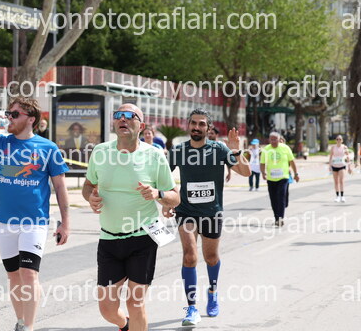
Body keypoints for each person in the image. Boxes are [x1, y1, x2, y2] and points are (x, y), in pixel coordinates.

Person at [0, 97, 70, 331]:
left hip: (34, 222)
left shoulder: (48, 148)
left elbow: (60, 187)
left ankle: (29, 326)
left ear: (31, 119)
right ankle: (20, 322)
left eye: (15, 114)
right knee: (13, 276)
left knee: (28, 273)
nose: (9, 118)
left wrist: (65, 224)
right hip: (4, 221)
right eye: (9, 113)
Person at [82, 104, 180, 331]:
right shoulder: (101, 152)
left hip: (142, 238)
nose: (122, 119)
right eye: (118, 115)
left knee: (135, 303)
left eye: (129, 116)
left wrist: (158, 194)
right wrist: (90, 198)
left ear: (141, 126)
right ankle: (124, 325)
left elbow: (175, 197)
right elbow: (88, 185)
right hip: (109, 239)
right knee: (107, 308)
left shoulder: (154, 155)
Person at [167, 109, 250, 326]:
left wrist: (236, 150)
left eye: (201, 124)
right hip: (186, 211)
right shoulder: (179, 150)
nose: (197, 127)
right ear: (188, 125)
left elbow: (246, 172)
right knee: (189, 256)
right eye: (193, 123)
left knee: (211, 257)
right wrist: (168, 200)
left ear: (208, 128)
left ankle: (212, 291)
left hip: (212, 213)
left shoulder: (219, 149)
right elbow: (162, 176)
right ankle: (191, 307)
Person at [260, 132, 299, 227]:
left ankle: (280, 218)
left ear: (279, 139)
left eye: (275, 139)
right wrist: (263, 172)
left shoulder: (285, 148)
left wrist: (296, 173)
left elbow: (292, 161)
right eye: (271, 139)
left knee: (281, 197)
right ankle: (276, 218)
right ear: (269, 140)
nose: (273, 141)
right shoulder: (266, 149)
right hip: (271, 178)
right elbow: (262, 163)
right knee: (273, 199)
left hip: (283, 177)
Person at [328, 135, 352, 202]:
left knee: (341, 181)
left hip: (342, 166)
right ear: (336, 140)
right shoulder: (333, 147)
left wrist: (349, 167)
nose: (338, 140)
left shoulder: (344, 147)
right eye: (337, 139)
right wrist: (329, 166)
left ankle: (342, 196)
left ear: (342, 140)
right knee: (336, 182)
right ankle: (337, 196)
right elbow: (330, 157)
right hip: (334, 166)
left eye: (340, 139)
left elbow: (348, 157)